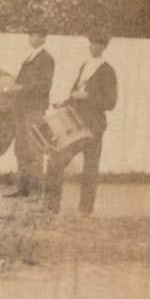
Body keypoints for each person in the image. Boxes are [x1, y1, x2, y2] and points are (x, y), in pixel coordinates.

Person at [43, 29, 119, 215]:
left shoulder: (107, 70)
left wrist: (87, 95)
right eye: (92, 42)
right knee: (56, 160)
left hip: (94, 126)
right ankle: (51, 207)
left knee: (90, 168)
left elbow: (111, 102)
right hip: (76, 124)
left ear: (104, 47)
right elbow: (75, 93)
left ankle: (85, 210)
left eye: (99, 43)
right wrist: (66, 101)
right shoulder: (85, 65)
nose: (94, 46)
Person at [3, 25, 55, 199]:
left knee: (35, 149)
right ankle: (23, 188)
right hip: (21, 108)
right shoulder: (29, 57)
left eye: (35, 35)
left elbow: (43, 86)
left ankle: (37, 191)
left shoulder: (46, 59)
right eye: (31, 34)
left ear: (43, 38)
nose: (31, 38)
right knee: (21, 148)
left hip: (34, 109)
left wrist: (19, 88)